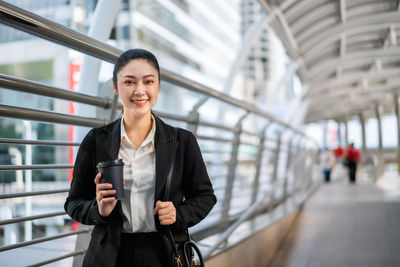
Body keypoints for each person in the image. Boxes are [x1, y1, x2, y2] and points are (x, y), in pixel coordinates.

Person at [64, 49, 217, 267]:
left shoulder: (182, 141)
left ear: (158, 87)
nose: (139, 90)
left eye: (148, 81)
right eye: (129, 82)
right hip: (110, 256)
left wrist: (178, 214)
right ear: (116, 88)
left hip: (165, 252)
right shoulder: (96, 141)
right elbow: (73, 203)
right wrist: (99, 210)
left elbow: (205, 197)